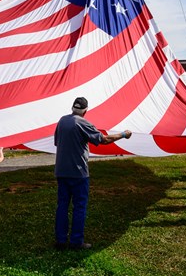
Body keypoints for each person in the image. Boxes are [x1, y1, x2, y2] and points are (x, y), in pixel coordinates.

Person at [54, 97, 132, 250]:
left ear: (72, 108)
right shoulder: (83, 123)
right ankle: (76, 242)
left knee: (62, 206)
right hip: (78, 173)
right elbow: (104, 140)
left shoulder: (62, 121)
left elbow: (57, 142)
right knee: (79, 207)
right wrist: (123, 134)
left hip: (61, 171)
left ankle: (60, 240)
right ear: (85, 111)